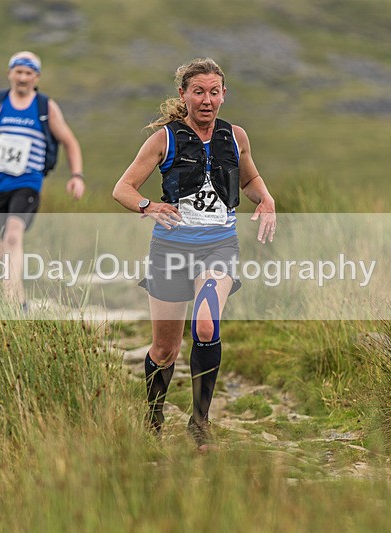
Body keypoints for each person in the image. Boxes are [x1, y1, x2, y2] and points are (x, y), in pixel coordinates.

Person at [112, 58, 276, 451]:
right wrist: (148, 207)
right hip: (170, 250)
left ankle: (200, 423)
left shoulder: (235, 137)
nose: (207, 100)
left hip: (219, 247)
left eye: (214, 92)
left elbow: (250, 179)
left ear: (223, 95)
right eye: (198, 92)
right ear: (183, 95)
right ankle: (153, 414)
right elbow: (123, 188)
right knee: (165, 350)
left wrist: (266, 200)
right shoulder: (164, 139)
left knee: (206, 326)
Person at [0, 51, 85, 308]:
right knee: (1, 244)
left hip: (28, 182)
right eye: (18, 71)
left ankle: (12, 301)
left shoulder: (45, 107)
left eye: (28, 73)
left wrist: (76, 176)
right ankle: (16, 298)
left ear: (36, 77)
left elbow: (69, 141)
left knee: (13, 235)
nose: (22, 77)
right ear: (10, 73)